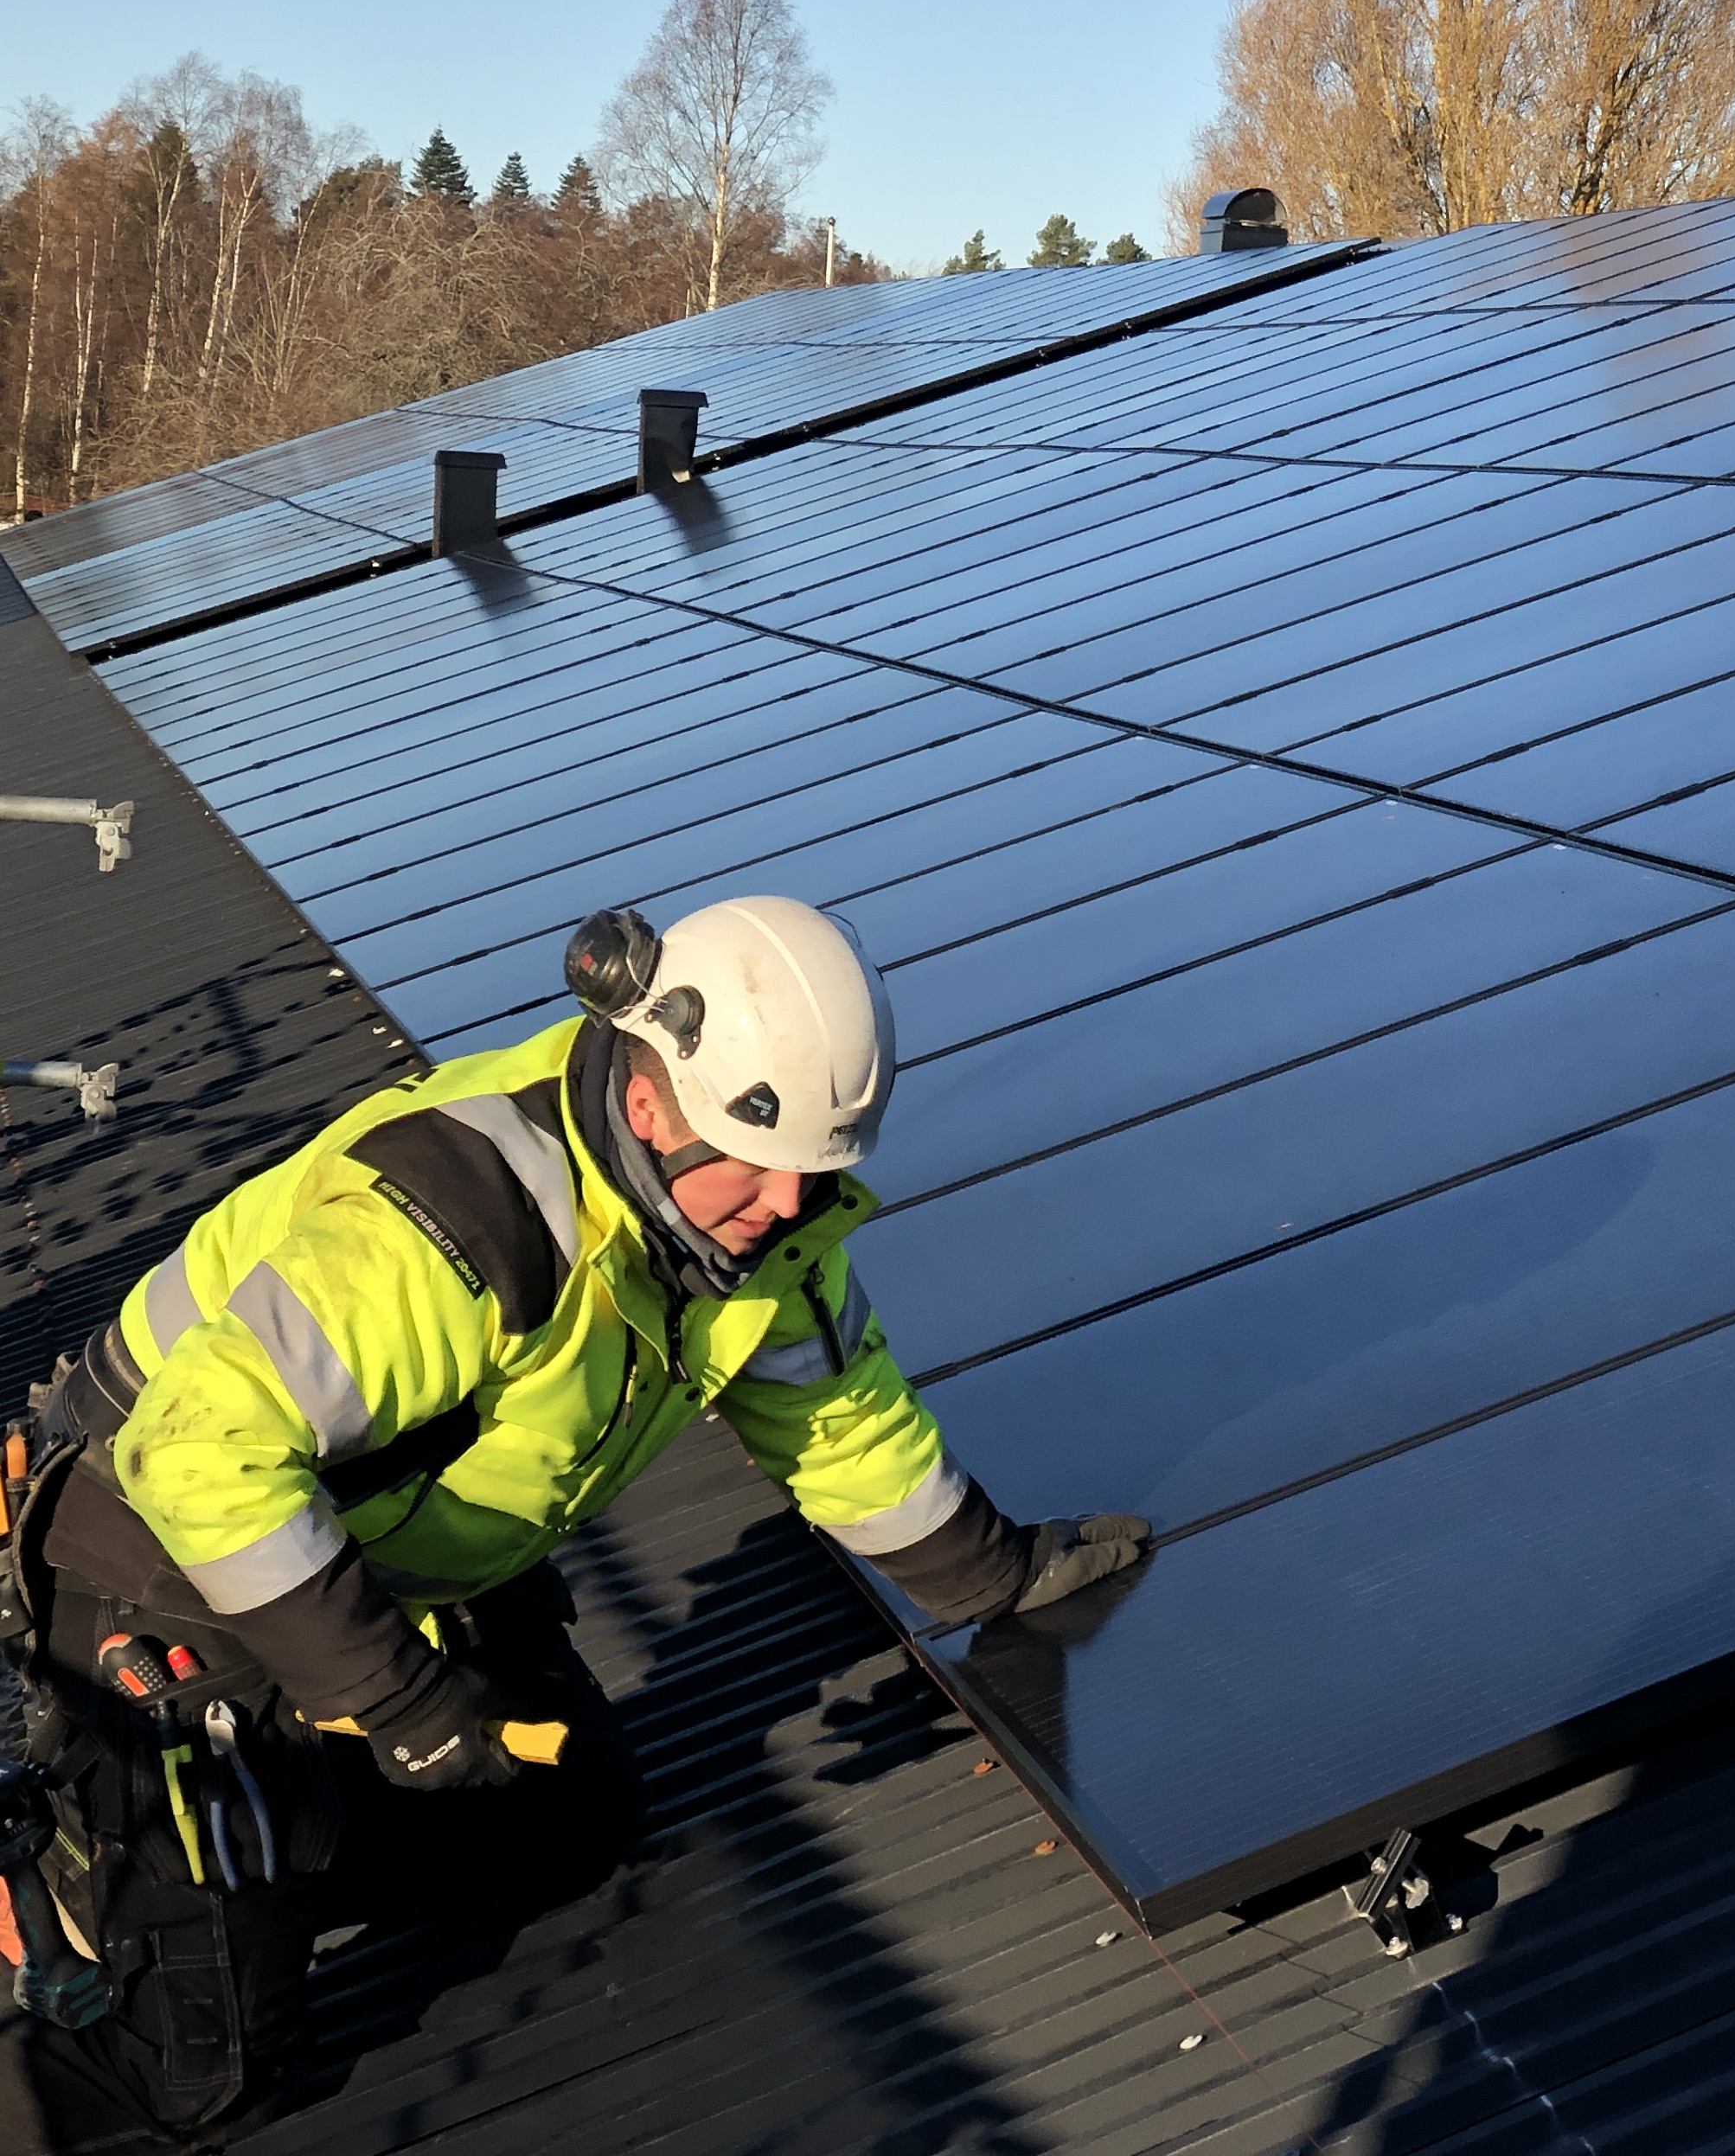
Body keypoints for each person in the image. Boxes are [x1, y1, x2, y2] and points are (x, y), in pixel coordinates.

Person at [0, 895, 1148, 2149]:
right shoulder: (460, 1218)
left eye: (817, 1168)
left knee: (569, 1820)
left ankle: (254, 1843)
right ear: (649, 1099)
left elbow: (837, 1419)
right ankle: (98, 1858)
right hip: (156, 1552)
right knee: (207, 2079)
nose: (785, 1201)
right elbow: (196, 1454)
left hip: (377, 1546)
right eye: (755, 1159)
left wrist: (995, 1574)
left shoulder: (754, 1219)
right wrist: (399, 1702)